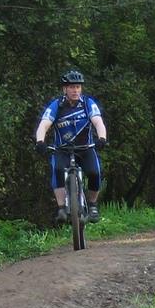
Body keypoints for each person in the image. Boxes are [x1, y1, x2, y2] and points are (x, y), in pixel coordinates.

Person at [35, 68, 108, 223]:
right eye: (72, 87)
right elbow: (44, 125)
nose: (75, 90)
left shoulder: (88, 103)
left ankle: (93, 205)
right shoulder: (57, 105)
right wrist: (40, 141)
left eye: (78, 87)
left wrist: (102, 138)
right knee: (57, 169)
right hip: (62, 149)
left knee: (94, 173)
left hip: (85, 148)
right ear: (65, 89)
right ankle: (61, 208)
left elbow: (98, 122)